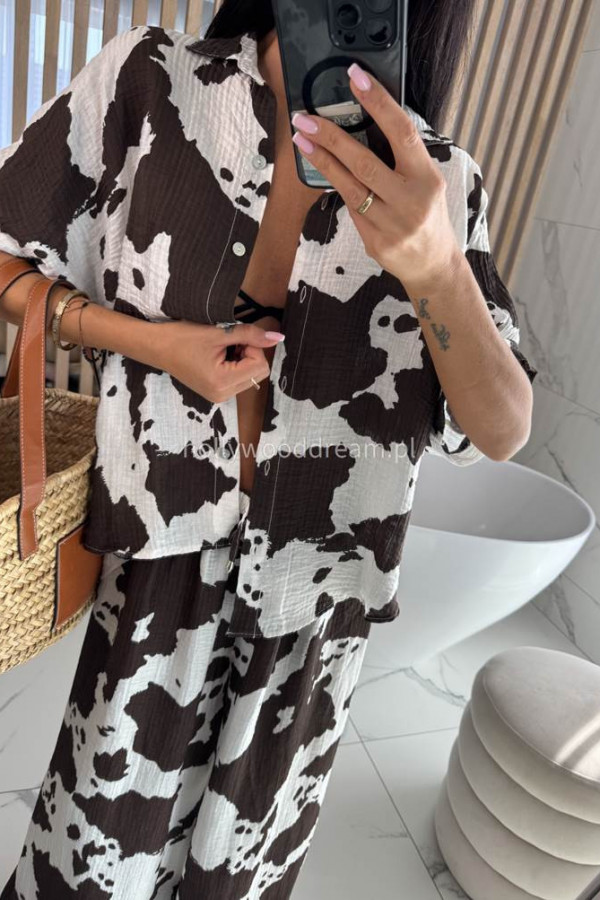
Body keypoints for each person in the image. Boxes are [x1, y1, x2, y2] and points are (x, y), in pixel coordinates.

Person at [0, 1, 537, 896]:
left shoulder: (440, 180)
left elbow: (502, 429)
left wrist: (439, 266)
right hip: (153, 587)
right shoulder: (152, 83)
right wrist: (149, 343)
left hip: (315, 626)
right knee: (88, 872)